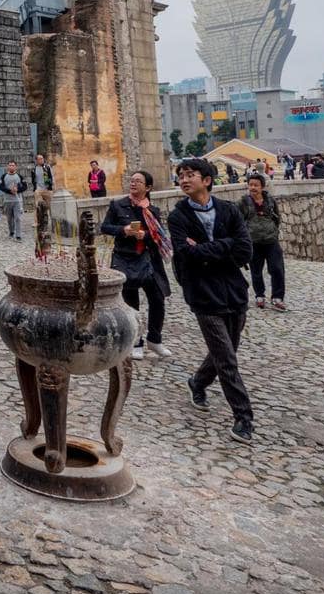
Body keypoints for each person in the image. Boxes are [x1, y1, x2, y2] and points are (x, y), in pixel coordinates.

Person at [169, 157, 255, 444]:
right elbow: (183, 254)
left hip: (234, 290)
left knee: (224, 350)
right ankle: (243, 417)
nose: (183, 179)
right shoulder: (178, 216)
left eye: (190, 174)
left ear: (206, 180)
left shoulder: (229, 210)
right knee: (227, 358)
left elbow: (245, 250)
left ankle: (198, 382)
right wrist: (224, 247)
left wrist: (205, 249)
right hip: (203, 294)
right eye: (180, 175)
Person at [100, 170, 172, 360]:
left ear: (147, 187)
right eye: (132, 181)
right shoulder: (118, 205)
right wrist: (123, 230)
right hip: (126, 258)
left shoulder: (153, 210)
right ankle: (136, 341)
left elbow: (159, 235)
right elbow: (105, 227)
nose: (133, 184)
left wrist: (145, 235)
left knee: (157, 298)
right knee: (131, 302)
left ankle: (154, 339)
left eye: (138, 181)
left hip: (149, 258)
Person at [240, 174, 286, 311]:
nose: (253, 188)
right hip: (253, 242)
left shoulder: (270, 201)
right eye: (251, 185)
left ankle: (277, 297)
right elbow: (237, 221)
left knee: (277, 269)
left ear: (262, 187)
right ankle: (259, 296)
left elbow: (277, 218)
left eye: (256, 185)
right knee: (256, 271)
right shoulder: (243, 202)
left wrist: (273, 231)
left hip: (271, 241)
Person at [0, 160, 27, 241]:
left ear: (16, 167)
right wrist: (9, 190)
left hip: (17, 201)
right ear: (8, 167)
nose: (11, 166)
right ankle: (11, 231)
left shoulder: (19, 176)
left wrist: (17, 190)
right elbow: (1, 187)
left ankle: (18, 235)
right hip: (7, 200)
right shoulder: (4, 176)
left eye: (13, 165)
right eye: (10, 165)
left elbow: (25, 187)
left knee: (18, 218)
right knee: (9, 219)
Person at [30, 153, 55, 219]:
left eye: (42, 158)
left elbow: (51, 177)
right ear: (37, 160)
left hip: (47, 189)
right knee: (37, 205)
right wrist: (35, 188)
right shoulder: (34, 169)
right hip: (38, 189)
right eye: (40, 159)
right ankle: (37, 221)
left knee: (51, 206)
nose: (41, 160)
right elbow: (33, 180)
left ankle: (53, 219)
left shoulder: (47, 167)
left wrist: (51, 187)